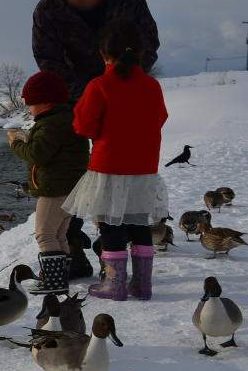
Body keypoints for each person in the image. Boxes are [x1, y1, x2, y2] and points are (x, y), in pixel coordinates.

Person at [62, 18, 169, 301]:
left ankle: (115, 284)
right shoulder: (152, 87)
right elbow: (160, 119)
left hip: (108, 167)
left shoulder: (99, 85)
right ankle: (142, 285)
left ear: (102, 53)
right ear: (142, 54)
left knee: (111, 226)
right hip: (144, 169)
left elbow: (83, 126)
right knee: (139, 224)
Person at [33, 0, 160, 102]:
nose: (88, 1)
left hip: (127, 92)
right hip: (78, 101)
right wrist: (90, 94)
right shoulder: (48, 11)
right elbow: (48, 60)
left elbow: (149, 39)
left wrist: (126, 80)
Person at [7, 71, 88, 295]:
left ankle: (54, 282)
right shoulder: (65, 119)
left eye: (30, 103)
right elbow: (48, 149)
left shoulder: (52, 124)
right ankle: (60, 279)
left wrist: (16, 144)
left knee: (44, 234)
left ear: (45, 102)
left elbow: (37, 154)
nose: (28, 108)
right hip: (71, 189)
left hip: (55, 190)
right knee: (59, 234)